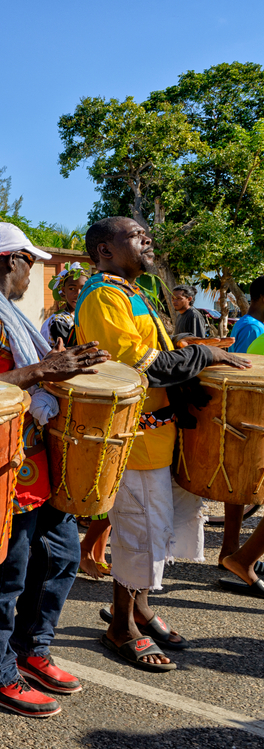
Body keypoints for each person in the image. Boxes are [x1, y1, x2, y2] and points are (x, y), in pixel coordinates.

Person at [0, 221, 109, 718]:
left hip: (33, 461)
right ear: (12, 260)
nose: (32, 275)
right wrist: (41, 371)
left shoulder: (7, 312)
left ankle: (34, 652)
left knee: (61, 556)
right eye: (30, 263)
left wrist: (60, 365)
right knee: (4, 576)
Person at [74, 216, 249, 672]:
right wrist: (202, 354)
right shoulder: (103, 297)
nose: (146, 239)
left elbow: (162, 351)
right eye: (134, 234)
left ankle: (138, 608)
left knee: (158, 527)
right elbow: (143, 366)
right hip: (132, 438)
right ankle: (120, 628)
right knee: (138, 532)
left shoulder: (135, 292)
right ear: (105, 251)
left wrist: (192, 351)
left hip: (160, 433)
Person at [220, 276, 264, 564]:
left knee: (238, 483)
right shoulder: (252, 328)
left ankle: (234, 551)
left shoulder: (253, 327)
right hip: (249, 413)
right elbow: (243, 374)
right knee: (238, 483)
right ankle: (233, 551)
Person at [41, 263, 89, 345]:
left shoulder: (83, 316)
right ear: (63, 291)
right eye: (72, 288)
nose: (78, 293)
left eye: (83, 288)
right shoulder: (59, 321)